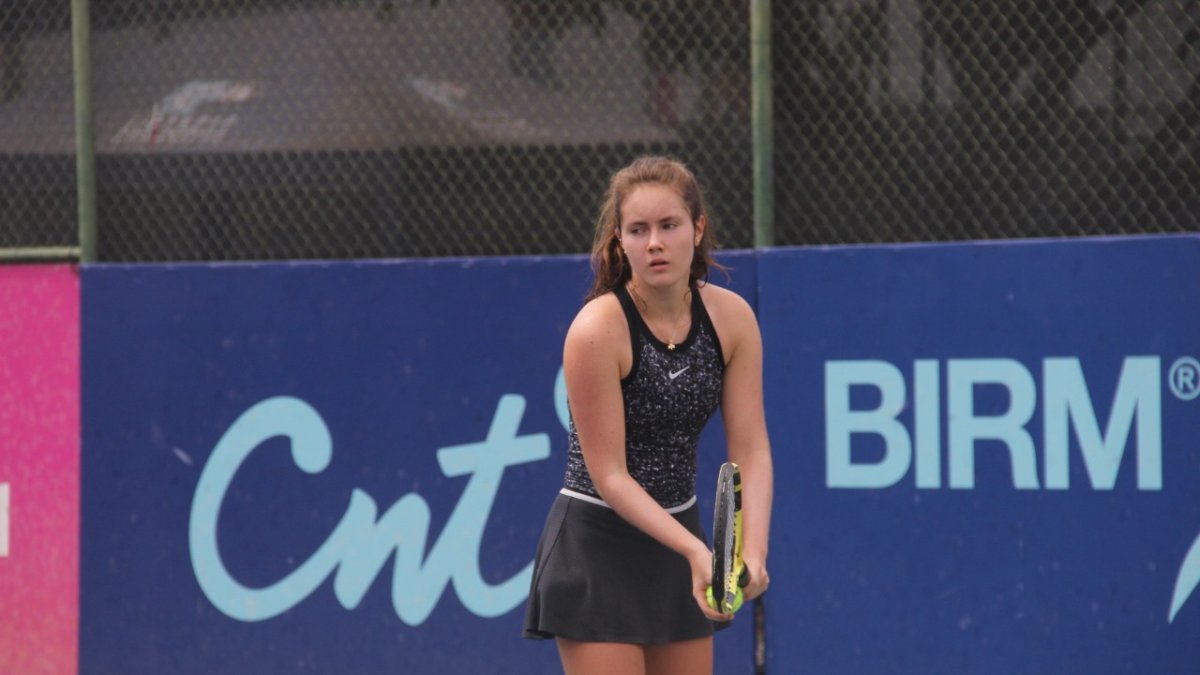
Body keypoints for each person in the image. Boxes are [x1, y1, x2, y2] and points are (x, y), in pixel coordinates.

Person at [523, 156, 773, 675]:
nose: (654, 242)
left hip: (679, 544)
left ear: (697, 229)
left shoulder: (733, 321)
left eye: (668, 225)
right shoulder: (596, 331)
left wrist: (751, 553)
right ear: (620, 240)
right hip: (596, 547)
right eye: (638, 230)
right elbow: (609, 474)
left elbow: (750, 447)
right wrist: (697, 552)